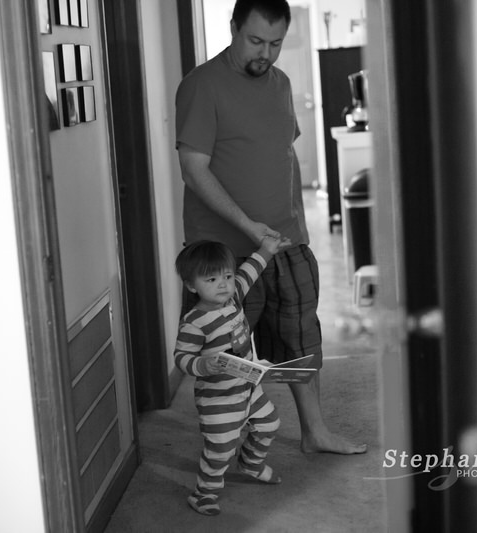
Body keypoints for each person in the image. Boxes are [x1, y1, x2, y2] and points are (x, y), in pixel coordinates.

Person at [175, 0, 367, 456]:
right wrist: (249, 225)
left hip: (284, 242)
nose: (266, 53)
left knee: (301, 338)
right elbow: (193, 169)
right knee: (229, 357)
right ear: (234, 29)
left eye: (276, 43)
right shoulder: (202, 85)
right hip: (225, 255)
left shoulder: (279, 83)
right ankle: (226, 450)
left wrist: (295, 226)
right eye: (256, 41)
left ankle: (315, 432)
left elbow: (285, 153)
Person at [174, 237, 289, 516]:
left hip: (248, 387)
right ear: (192, 286)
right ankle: (204, 494)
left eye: (227, 276)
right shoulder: (194, 321)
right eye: (211, 280)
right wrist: (204, 365)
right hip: (218, 399)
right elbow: (181, 358)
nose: (223, 284)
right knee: (220, 450)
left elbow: (249, 271)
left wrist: (266, 250)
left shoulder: (233, 295)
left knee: (270, 423)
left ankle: (251, 463)